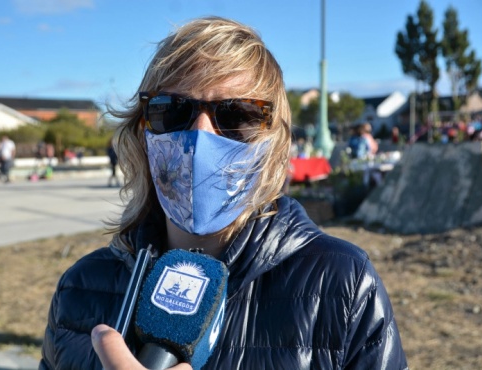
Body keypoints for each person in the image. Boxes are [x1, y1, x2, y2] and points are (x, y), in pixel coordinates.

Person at [40, 17, 407, 369]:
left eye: (237, 116)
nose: (202, 135)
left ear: (275, 142)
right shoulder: (81, 289)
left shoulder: (344, 285)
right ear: (141, 132)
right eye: (172, 110)